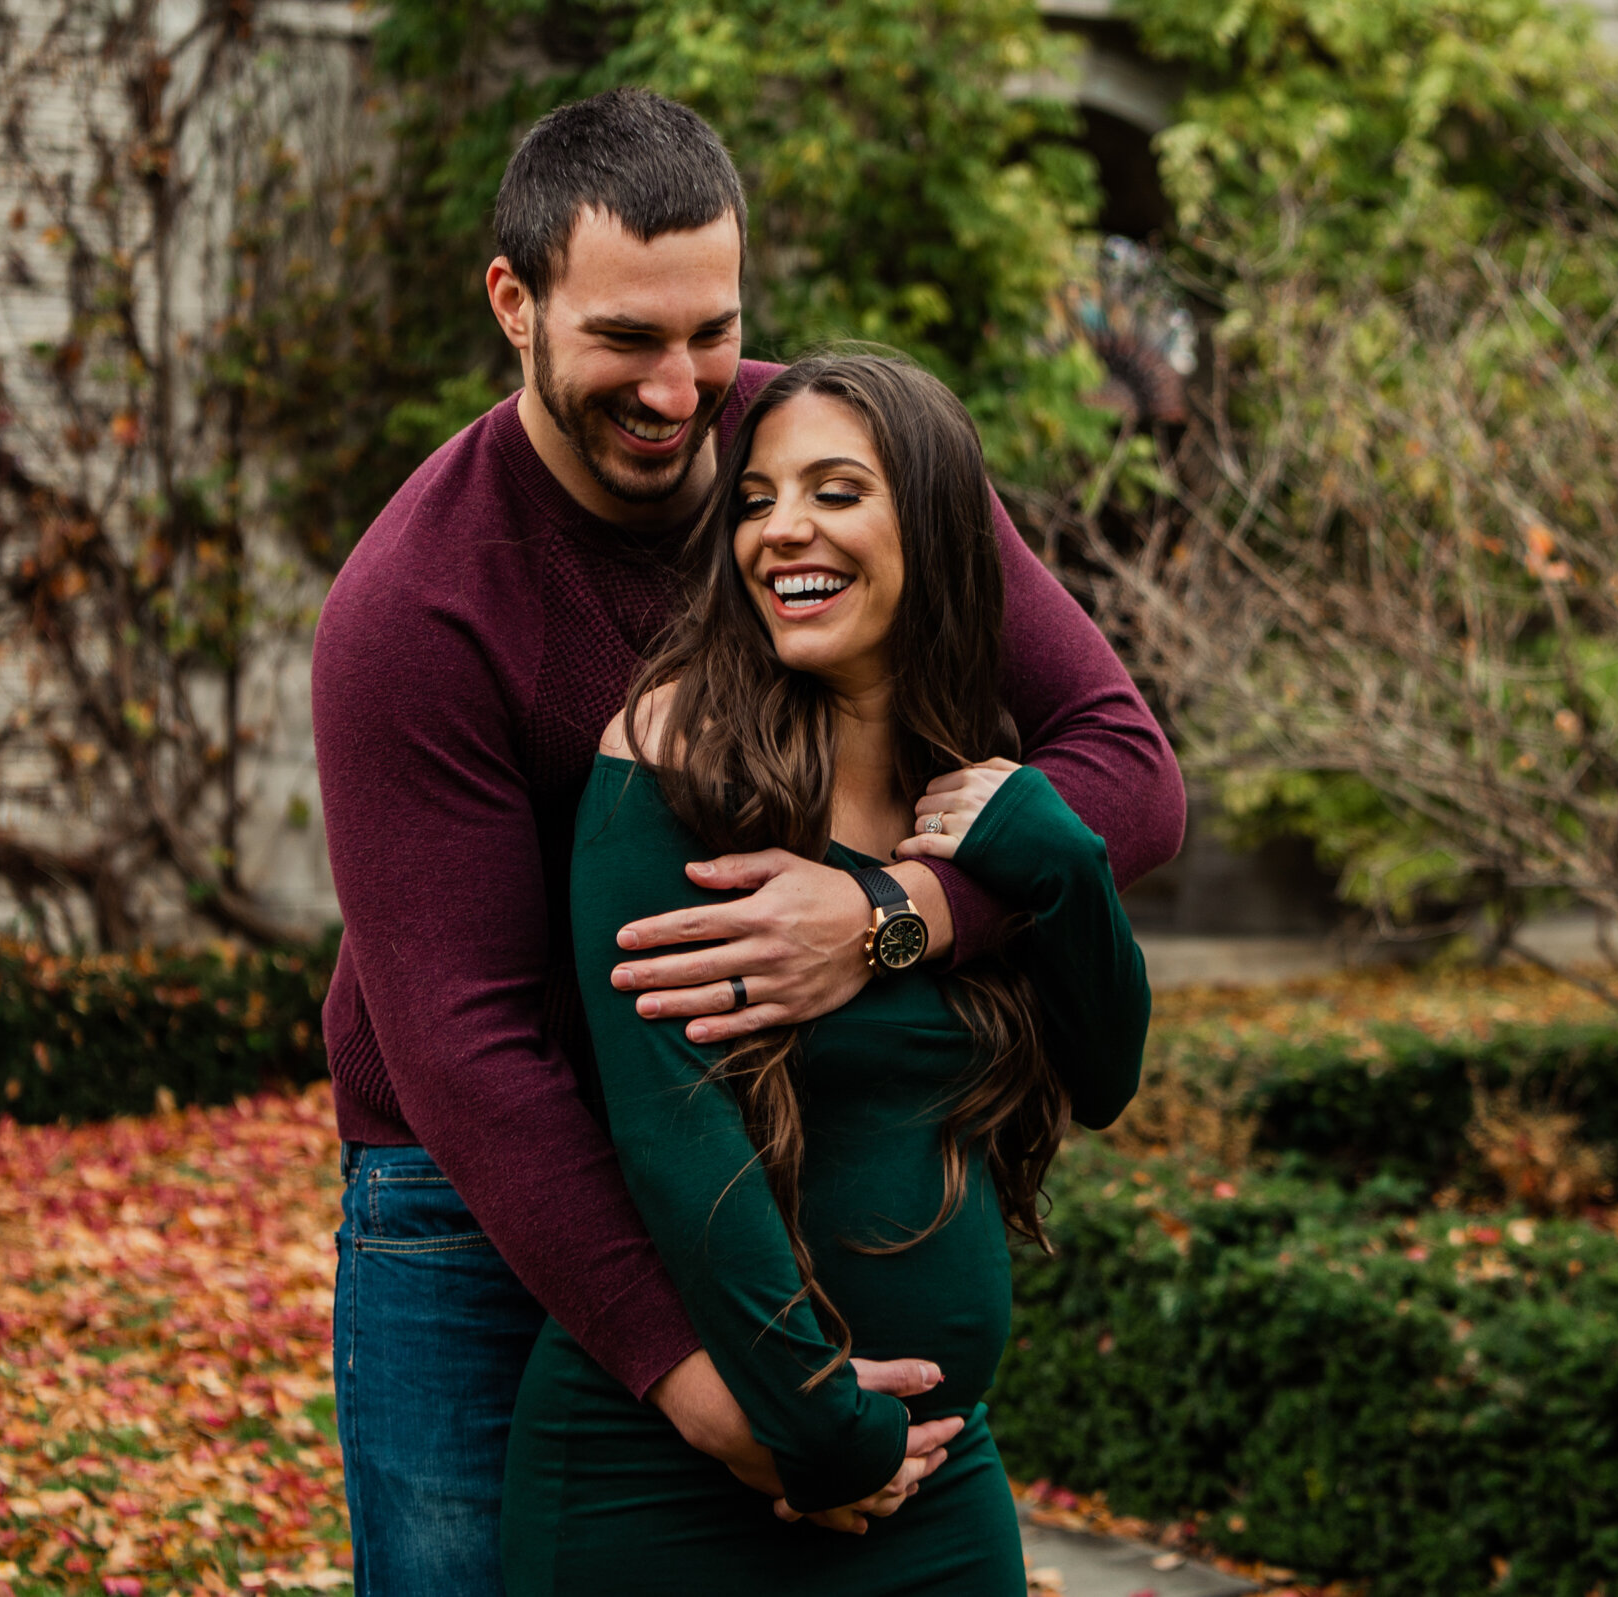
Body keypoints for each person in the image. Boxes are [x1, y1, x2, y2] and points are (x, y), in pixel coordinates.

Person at [310, 88, 1185, 1593]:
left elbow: (1125, 772)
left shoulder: (829, 464)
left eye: (709, 330)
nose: (678, 388)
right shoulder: (417, 607)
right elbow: (467, 1041)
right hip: (478, 1197)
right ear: (514, 303)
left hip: (779, 1145)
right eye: (625, 339)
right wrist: (714, 1395)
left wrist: (893, 914)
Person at [500, 352, 1150, 1595]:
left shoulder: (974, 788)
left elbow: (1107, 1070)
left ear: (939, 526)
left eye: (837, 490)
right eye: (755, 499)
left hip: (940, 1482)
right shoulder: (670, 756)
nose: (783, 529)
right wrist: (817, 1420)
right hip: (672, 1490)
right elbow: (672, 1127)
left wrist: (1055, 856)